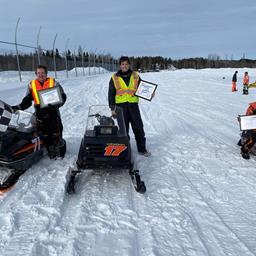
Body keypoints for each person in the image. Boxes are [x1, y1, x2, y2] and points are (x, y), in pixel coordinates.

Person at [12, 65, 67, 159]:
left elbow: (63, 96)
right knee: (44, 133)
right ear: (36, 74)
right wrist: (20, 107)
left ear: (46, 73)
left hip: (53, 111)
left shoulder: (54, 83)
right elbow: (27, 100)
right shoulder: (31, 84)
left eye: (42, 73)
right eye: (38, 73)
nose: (40, 75)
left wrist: (56, 105)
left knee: (56, 131)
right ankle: (50, 149)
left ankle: (58, 148)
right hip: (40, 113)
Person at [108, 56, 150, 156]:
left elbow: (142, 89)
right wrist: (112, 108)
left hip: (133, 106)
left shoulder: (135, 75)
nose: (124, 66)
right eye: (122, 64)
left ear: (129, 65)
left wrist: (149, 93)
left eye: (126, 64)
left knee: (138, 128)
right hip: (120, 107)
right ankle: (124, 151)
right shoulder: (114, 77)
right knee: (123, 130)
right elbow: (111, 93)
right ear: (120, 65)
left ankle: (142, 149)